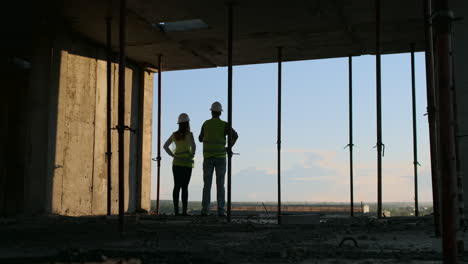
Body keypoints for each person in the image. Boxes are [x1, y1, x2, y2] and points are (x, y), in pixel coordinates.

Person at [199, 102, 238, 216]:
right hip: (221, 157)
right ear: (220, 113)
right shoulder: (224, 125)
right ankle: (221, 210)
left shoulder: (206, 124)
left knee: (207, 185)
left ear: (211, 112)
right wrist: (229, 147)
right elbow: (235, 135)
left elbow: (200, 139)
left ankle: (205, 210)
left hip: (208, 158)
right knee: (220, 185)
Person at [163, 113, 196, 216]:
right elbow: (194, 147)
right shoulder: (189, 135)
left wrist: (173, 156)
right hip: (187, 164)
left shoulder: (174, 135)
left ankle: (176, 211)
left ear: (179, 123)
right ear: (187, 123)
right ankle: (184, 211)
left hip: (176, 163)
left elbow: (165, 146)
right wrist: (191, 155)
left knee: (176, 186)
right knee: (185, 187)